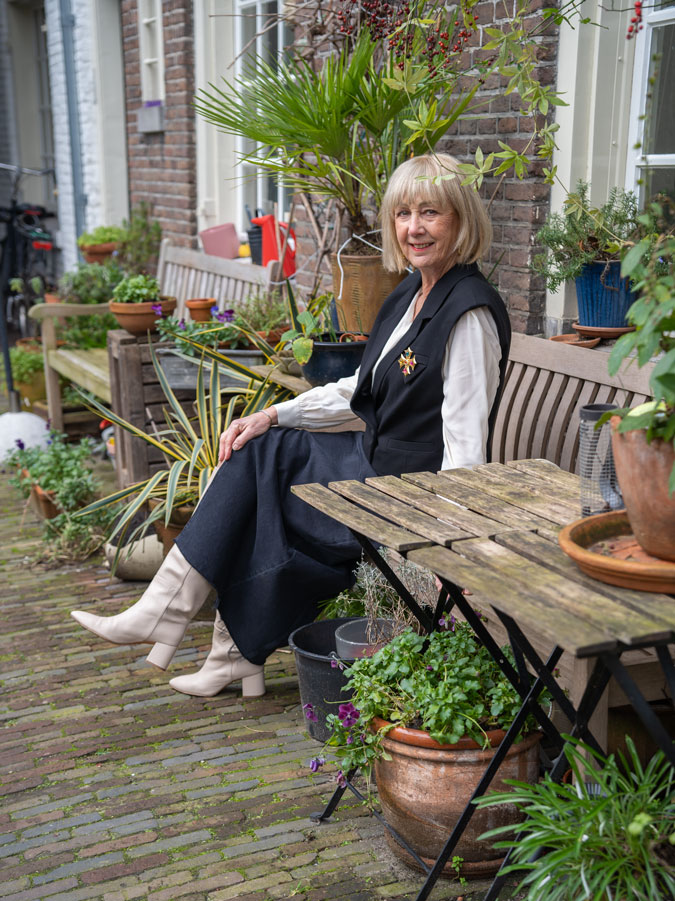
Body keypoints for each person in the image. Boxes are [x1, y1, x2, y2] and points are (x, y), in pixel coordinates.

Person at [72, 152, 511, 699]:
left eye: (431, 213)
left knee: (262, 468)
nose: (413, 228)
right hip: (373, 463)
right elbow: (362, 389)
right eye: (403, 214)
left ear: (462, 220)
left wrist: (451, 548)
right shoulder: (411, 293)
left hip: (405, 493)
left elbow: (466, 442)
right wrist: (273, 412)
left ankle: (188, 627)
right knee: (260, 451)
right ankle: (222, 650)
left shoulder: (467, 313)